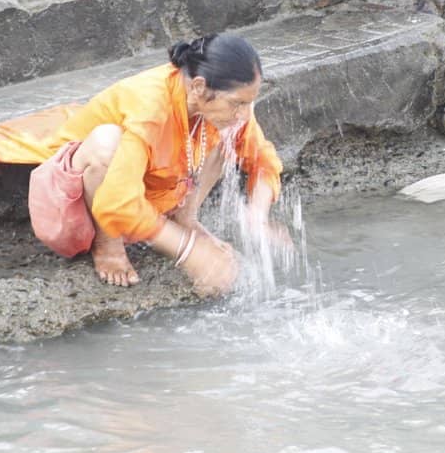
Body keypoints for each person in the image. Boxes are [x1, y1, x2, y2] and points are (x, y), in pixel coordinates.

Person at [26, 34, 283, 295]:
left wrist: (257, 216)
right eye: (238, 103)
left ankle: (185, 218)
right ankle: (107, 244)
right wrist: (188, 251)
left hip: (145, 183)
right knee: (108, 141)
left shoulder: (219, 104)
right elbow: (117, 201)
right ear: (198, 87)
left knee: (228, 131)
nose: (245, 113)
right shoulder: (150, 105)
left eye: (249, 102)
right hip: (87, 195)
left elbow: (261, 158)